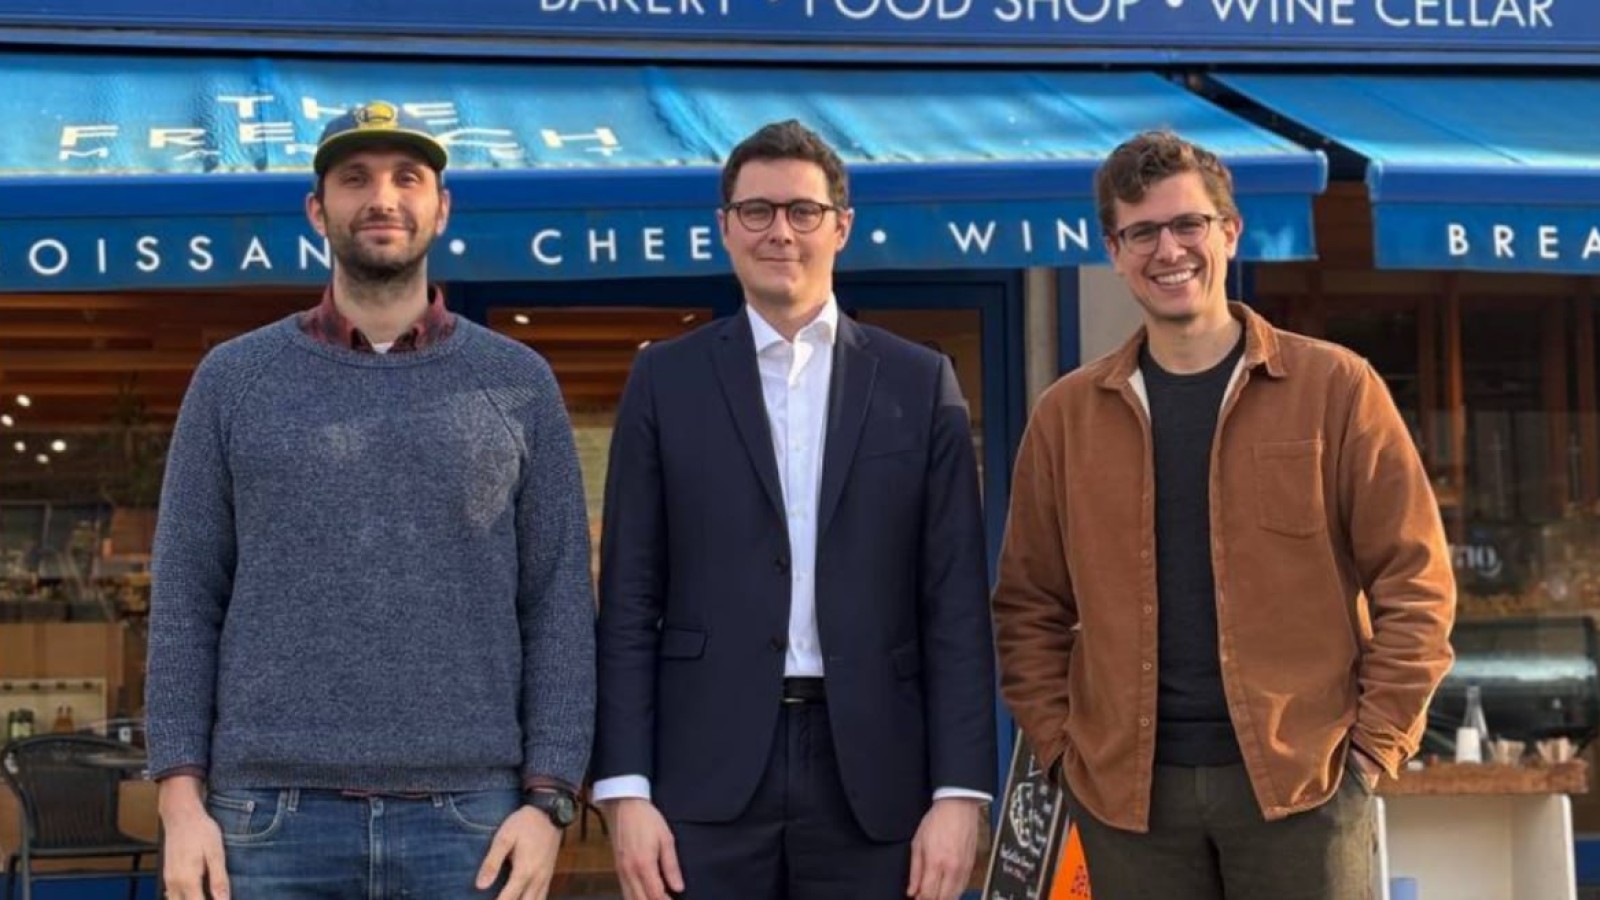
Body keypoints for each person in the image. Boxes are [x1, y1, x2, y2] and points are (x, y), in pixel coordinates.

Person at [145, 101, 596, 900]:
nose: (382, 198)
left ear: (441, 208)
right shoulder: (232, 380)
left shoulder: (518, 384)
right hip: (264, 819)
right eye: (355, 179)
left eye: (406, 178)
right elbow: (185, 596)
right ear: (317, 210)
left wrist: (550, 799)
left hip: (473, 820)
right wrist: (180, 803)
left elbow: (558, 601)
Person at [990, 129, 1456, 900]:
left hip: (1303, 789)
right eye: (1142, 232)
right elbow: (1028, 604)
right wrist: (1063, 751)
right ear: (1113, 250)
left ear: (1230, 231)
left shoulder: (1335, 388)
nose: (1168, 250)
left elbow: (1417, 582)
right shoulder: (1066, 417)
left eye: (1188, 224)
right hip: (1126, 801)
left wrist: (1371, 751)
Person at [593, 119, 996, 900]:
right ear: (725, 228)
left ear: (841, 227)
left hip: (878, 774)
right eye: (758, 211)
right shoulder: (664, 381)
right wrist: (624, 787)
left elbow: (954, 603)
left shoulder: (920, 383)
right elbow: (630, 595)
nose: (780, 231)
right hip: (701, 777)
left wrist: (959, 794)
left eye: (803, 211)